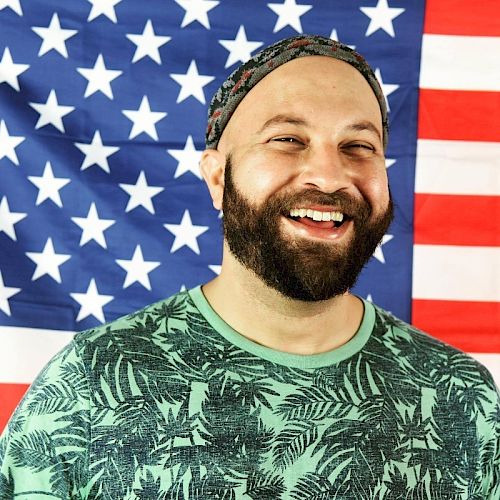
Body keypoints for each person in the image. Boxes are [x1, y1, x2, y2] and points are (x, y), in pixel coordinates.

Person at [0, 35, 498, 500]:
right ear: (218, 177)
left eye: (358, 147)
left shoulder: (462, 398)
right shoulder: (88, 385)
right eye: (287, 139)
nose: (328, 175)